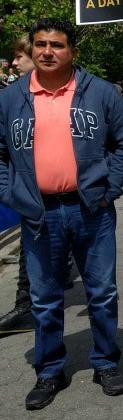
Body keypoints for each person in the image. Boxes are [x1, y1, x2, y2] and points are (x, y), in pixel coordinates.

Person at [0, 17, 123, 410]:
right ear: (32, 50)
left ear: (72, 52)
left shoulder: (99, 92)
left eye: (56, 45)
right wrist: (11, 194)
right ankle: (49, 370)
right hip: (38, 213)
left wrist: (107, 189)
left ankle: (107, 361)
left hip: (90, 210)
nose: (47, 51)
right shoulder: (11, 98)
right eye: (40, 44)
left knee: (101, 292)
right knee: (44, 298)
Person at [0, 34, 35, 335]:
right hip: (25, 192)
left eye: (19, 57)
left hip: (62, 196)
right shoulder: (13, 96)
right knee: (29, 247)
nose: (13, 63)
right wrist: (7, 190)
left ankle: (29, 305)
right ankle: (26, 304)